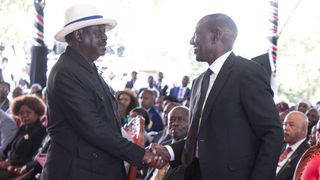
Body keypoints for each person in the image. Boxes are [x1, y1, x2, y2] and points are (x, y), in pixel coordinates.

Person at [150, 13, 283, 180]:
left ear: (216, 36)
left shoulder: (247, 73)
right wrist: (168, 151)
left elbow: (272, 132)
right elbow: (199, 138)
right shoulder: (198, 82)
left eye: (197, 34)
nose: (192, 41)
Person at [41, 4, 162, 180]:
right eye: (98, 32)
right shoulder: (66, 72)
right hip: (76, 172)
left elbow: (106, 121)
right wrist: (141, 154)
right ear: (79, 34)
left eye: (104, 32)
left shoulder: (86, 68)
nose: (105, 38)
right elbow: (93, 127)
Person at [0, 95, 47, 179]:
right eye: (21, 113)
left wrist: (11, 163)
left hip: (20, 170)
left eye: (28, 112)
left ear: (37, 113)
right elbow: (9, 147)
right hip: (7, 165)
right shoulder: (23, 128)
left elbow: (34, 157)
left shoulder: (41, 130)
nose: (24, 115)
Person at [275, 111, 310, 180]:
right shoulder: (279, 145)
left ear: (304, 130)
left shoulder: (307, 154)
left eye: (291, 125)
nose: (285, 128)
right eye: (284, 124)